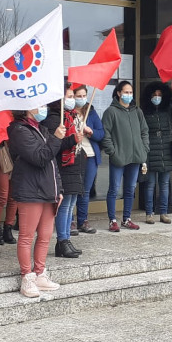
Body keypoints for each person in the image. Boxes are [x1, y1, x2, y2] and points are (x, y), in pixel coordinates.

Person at [7, 107, 65, 298]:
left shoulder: (41, 128)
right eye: (38, 104)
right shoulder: (19, 130)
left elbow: (52, 163)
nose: (43, 108)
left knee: (45, 235)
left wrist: (59, 189)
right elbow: (40, 157)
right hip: (30, 190)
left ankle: (40, 273)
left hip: (48, 190)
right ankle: (27, 276)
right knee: (26, 236)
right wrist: (56, 138)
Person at [42, 86, 85, 258]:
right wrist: (72, 139)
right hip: (63, 166)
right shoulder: (54, 119)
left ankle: (66, 239)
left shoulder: (72, 116)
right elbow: (55, 144)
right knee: (64, 205)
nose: (72, 99)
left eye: (73, 96)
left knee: (71, 203)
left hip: (74, 165)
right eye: (69, 96)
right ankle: (62, 240)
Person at [101, 80, 149, 232]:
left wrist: (144, 149)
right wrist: (113, 152)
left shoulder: (137, 111)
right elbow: (105, 134)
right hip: (119, 157)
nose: (128, 95)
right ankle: (112, 220)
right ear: (118, 93)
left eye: (130, 92)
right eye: (126, 92)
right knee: (114, 189)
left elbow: (144, 131)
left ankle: (127, 219)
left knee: (130, 189)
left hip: (135, 157)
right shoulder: (111, 111)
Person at [141, 80, 172, 224]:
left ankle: (164, 213)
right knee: (150, 184)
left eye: (160, 95)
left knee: (165, 183)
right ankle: (149, 213)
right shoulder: (144, 112)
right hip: (150, 151)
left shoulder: (167, 110)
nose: (157, 97)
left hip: (167, 151)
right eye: (154, 95)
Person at [73, 85, 104, 234]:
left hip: (90, 155)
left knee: (85, 190)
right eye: (78, 96)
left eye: (84, 95)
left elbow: (100, 133)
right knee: (72, 189)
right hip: (74, 155)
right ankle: (70, 221)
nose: (82, 99)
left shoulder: (90, 112)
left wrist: (89, 131)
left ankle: (82, 221)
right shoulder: (66, 113)